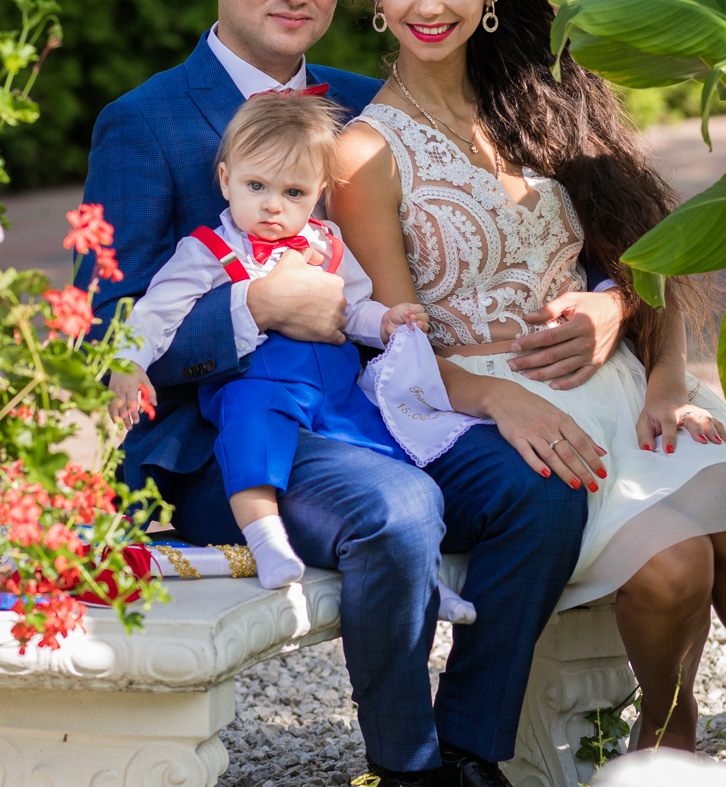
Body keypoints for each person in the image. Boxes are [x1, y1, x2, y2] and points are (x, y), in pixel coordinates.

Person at [78, 0, 628, 787]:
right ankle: (403, 781)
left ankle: (471, 752)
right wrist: (252, 307)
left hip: (374, 407)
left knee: (540, 490)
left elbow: (514, 216)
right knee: (399, 509)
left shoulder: (366, 103)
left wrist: (605, 296)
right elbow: (102, 332)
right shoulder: (145, 124)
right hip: (228, 449)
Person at [332, 0, 726, 787]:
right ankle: (667, 738)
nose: (429, 3)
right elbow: (395, 348)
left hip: (628, 383)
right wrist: (499, 397)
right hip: (500, 408)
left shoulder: (543, 102)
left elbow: (653, 257)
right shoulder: (364, 153)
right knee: (675, 565)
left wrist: (643, 344)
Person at [107, 91, 475, 622]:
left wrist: (384, 321)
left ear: (318, 194)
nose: (272, 206)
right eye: (256, 187)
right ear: (226, 180)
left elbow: (351, 306)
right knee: (252, 437)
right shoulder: (210, 250)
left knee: (385, 449)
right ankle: (267, 541)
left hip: (334, 384)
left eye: (293, 192)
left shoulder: (327, 243)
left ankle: (426, 581)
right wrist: (129, 362)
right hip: (257, 379)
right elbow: (156, 312)